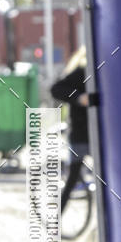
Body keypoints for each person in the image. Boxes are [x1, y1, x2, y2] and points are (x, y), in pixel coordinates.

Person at [50, 45, 89, 210]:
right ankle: (56, 221)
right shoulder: (82, 72)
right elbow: (56, 89)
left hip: (92, 134)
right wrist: (79, 98)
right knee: (73, 177)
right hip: (81, 133)